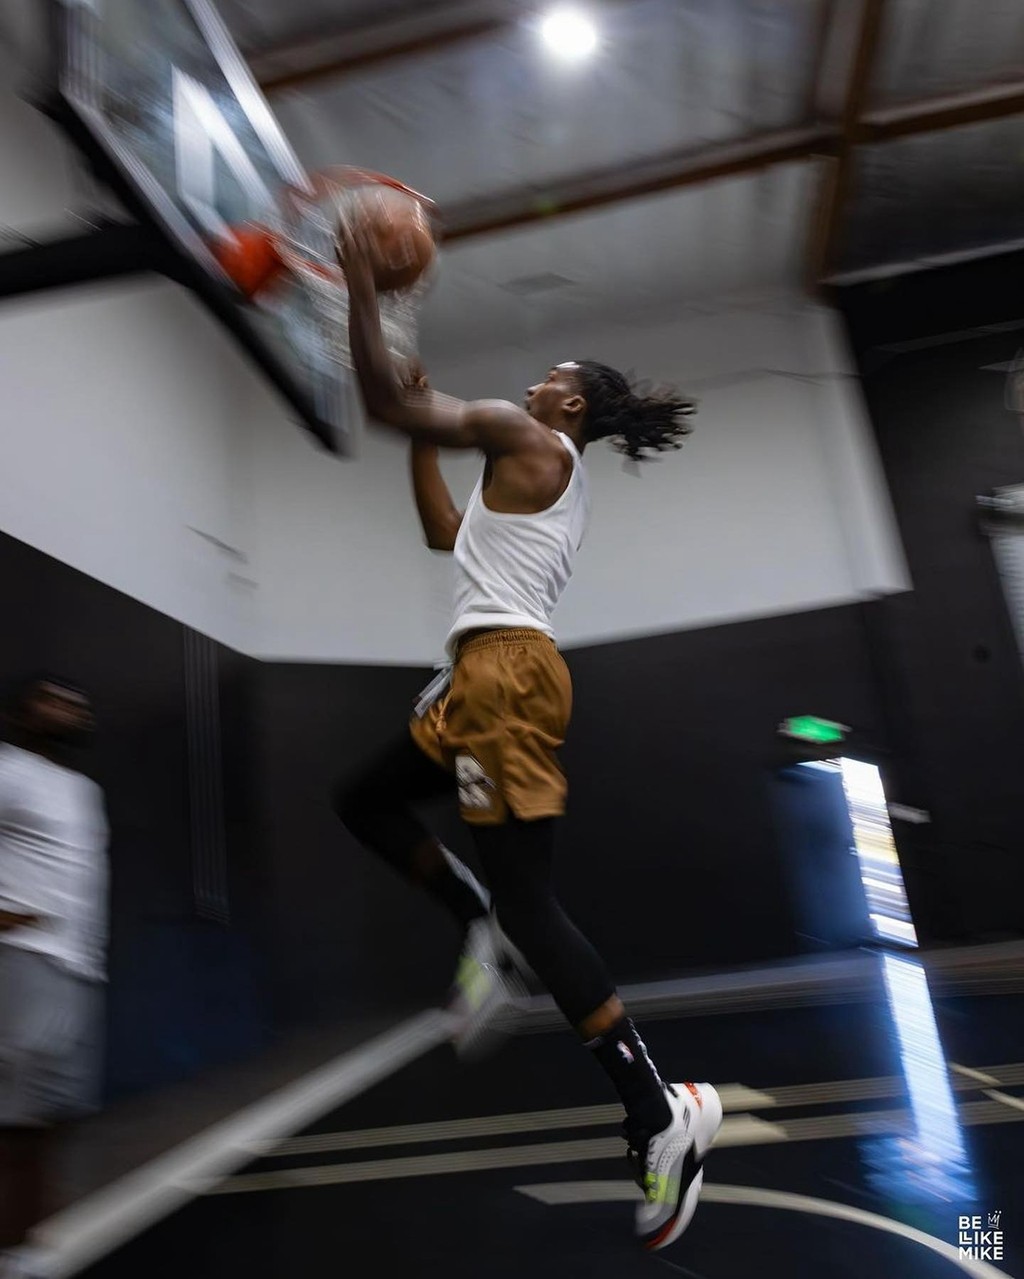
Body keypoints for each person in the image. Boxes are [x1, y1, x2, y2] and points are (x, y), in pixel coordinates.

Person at [332, 224, 721, 1252]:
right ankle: (477, 922)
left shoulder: (528, 437)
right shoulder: (535, 472)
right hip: (479, 676)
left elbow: (383, 402)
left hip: (503, 675)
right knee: (363, 799)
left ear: (572, 405)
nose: (531, 383)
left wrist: (364, 282)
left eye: (550, 376)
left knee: (532, 906)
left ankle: (658, 1111)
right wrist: (423, 432)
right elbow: (441, 532)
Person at [0, 676, 108, 1272]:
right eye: (50, 699)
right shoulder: (8, 770)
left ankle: (23, 1241)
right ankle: (15, 1250)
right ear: (21, 712)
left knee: (47, 1114)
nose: (66, 708)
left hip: (76, 966)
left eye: (74, 702)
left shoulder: (81, 789)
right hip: (26, 957)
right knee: (16, 1116)